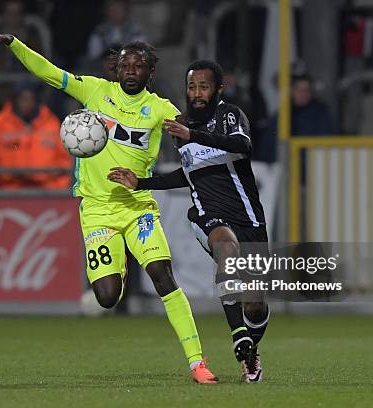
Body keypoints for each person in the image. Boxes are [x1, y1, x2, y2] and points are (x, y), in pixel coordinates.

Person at [0, 34, 218, 384]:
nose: (131, 71)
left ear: (150, 72)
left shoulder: (161, 109)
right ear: (116, 70)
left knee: (163, 275)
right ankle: (114, 267)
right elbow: (49, 73)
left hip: (137, 209)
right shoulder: (95, 92)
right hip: (97, 209)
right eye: (125, 65)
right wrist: (14, 43)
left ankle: (197, 362)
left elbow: (194, 136)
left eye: (138, 66)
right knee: (106, 297)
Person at [108, 60, 271, 383]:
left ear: (218, 90)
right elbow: (188, 173)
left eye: (204, 87)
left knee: (255, 304)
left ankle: (250, 347)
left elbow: (244, 146)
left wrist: (194, 135)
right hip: (207, 214)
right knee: (225, 246)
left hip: (248, 217)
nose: (196, 93)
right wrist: (141, 183)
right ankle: (238, 333)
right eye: (192, 87)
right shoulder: (181, 127)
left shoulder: (228, 115)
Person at [0, 82, 72, 190]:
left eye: (30, 98)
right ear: (15, 100)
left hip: (46, 193)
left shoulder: (52, 124)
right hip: (7, 192)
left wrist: (53, 182)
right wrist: (4, 175)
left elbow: (65, 162)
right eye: (23, 99)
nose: (27, 104)